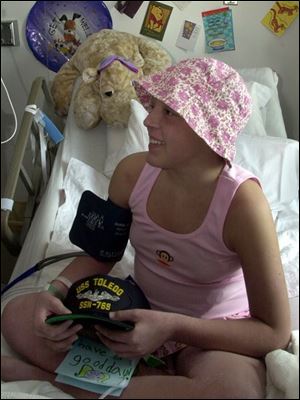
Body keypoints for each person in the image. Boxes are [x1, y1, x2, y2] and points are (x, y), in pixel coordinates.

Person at [1, 58, 291, 399]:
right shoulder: (132, 174)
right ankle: (149, 381)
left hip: (214, 333)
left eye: (169, 113)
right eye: (154, 107)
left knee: (231, 393)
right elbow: (100, 256)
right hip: (136, 312)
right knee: (19, 315)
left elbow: (273, 331)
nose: (148, 120)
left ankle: (62, 383)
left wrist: (173, 327)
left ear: (208, 129)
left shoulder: (244, 206)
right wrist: (56, 291)